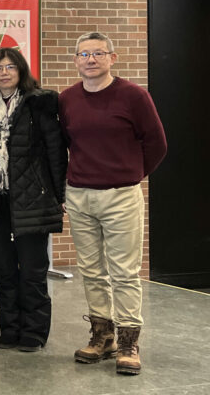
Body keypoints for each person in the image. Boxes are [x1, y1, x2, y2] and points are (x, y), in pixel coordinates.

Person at [60, 32, 166, 375]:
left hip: (122, 195)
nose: (91, 60)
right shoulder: (67, 99)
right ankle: (102, 336)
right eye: (84, 54)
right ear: (76, 60)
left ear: (112, 58)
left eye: (98, 54)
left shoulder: (134, 96)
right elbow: (63, 144)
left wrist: (131, 174)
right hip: (79, 195)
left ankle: (128, 341)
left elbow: (157, 143)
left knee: (124, 273)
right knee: (92, 271)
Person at [0, 47, 67, 352]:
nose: (4, 72)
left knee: (33, 269)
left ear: (21, 70)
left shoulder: (40, 102)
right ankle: (10, 327)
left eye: (10, 67)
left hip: (33, 198)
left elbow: (55, 151)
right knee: (2, 268)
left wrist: (59, 194)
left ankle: (35, 332)